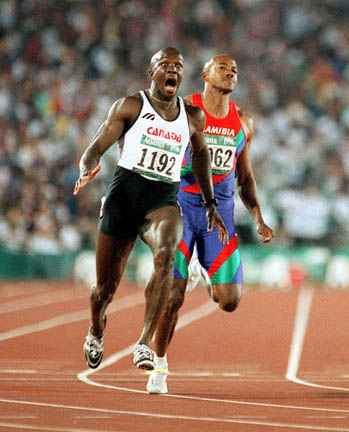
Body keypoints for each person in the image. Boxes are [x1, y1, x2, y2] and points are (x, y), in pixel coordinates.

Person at [74, 47, 227, 371]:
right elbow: (96, 147)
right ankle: (96, 330)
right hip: (124, 198)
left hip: (162, 200)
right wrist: (87, 168)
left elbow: (201, 155)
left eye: (178, 66)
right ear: (152, 72)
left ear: (181, 75)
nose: (172, 70)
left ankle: (143, 344)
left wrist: (210, 201)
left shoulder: (191, 116)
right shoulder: (130, 106)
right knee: (105, 289)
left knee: (167, 253)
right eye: (164, 65)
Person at [147, 54, 274, 394]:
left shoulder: (243, 121)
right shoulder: (182, 110)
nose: (231, 72)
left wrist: (259, 218)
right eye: (223, 67)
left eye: (235, 69)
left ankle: (204, 269)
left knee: (230, 301)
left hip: (221, 217)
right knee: (173, 296)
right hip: (181, 210)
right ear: (205, 74)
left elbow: (245, 178)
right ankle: (159, 366)